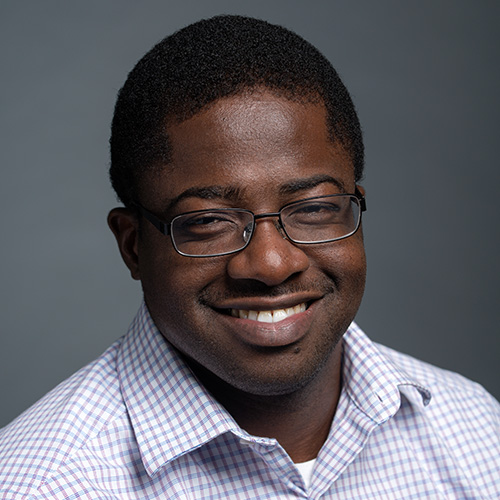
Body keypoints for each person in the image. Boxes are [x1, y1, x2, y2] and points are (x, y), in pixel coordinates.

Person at [0, 15, 498, 499]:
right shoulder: (42, 484)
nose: (271, 264)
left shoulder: (475, 432)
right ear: (133, 245)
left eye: (315, 208)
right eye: (209, 220)